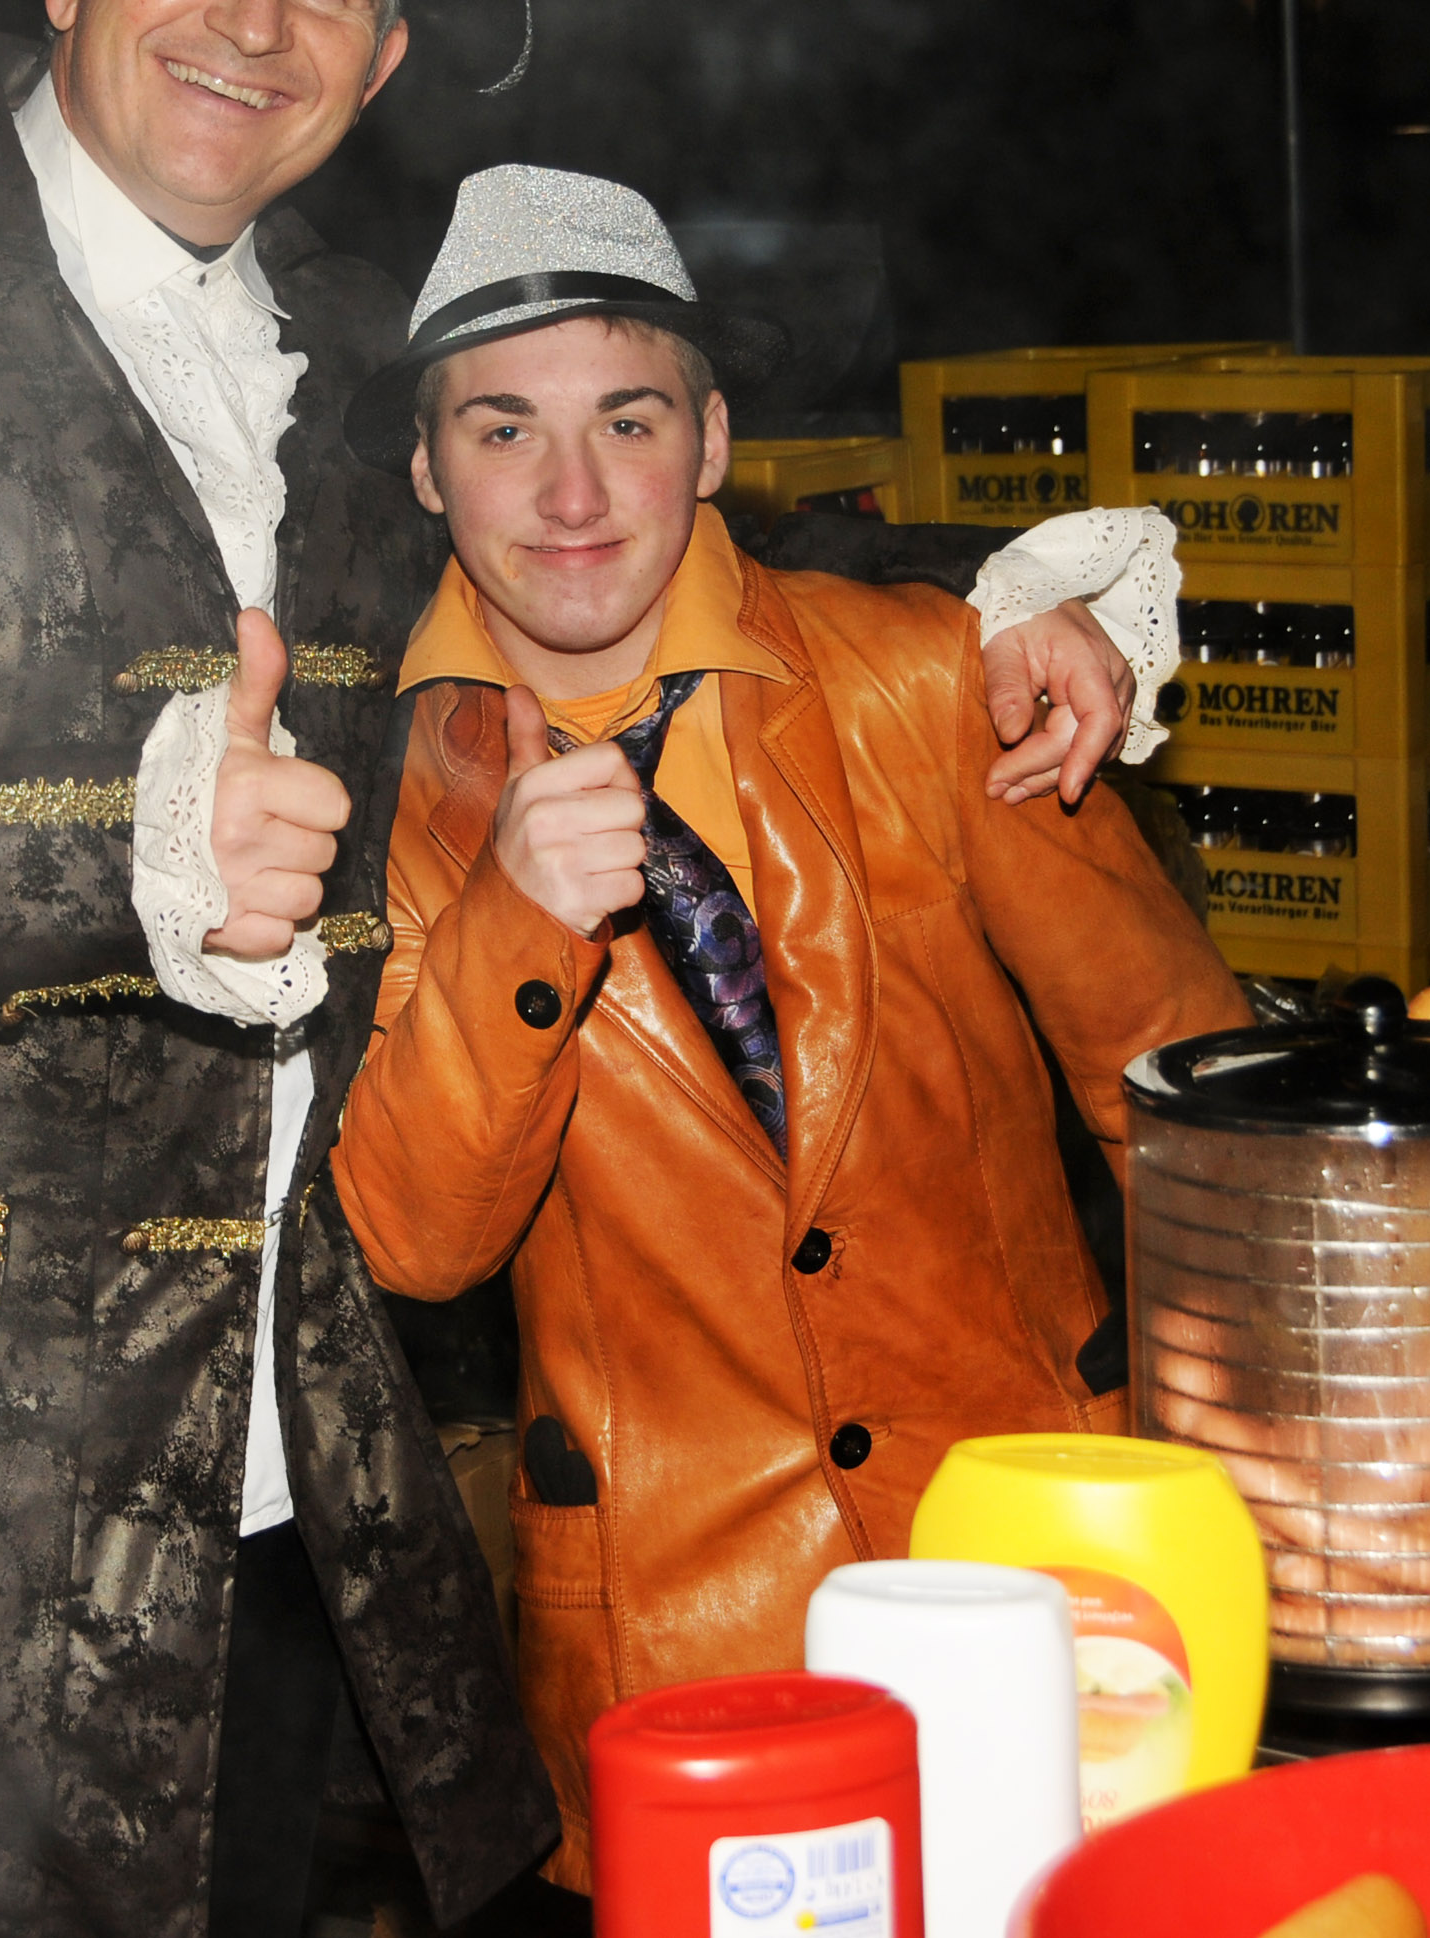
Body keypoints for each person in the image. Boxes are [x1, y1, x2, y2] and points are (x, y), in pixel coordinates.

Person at [0, 0, 1159, 1938]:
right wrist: (121, 847)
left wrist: (1008, 600)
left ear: (379, 63)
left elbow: (601, 541)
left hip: (267, 1451)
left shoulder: (346, 351)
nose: (254, 20)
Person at [330, 166, 1256, 1888]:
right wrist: (512, 920)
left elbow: (1189, 1112)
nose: (575, 492)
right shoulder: (384, 802)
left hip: (1042, 1580)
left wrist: (1268, 1493)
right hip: (681, 1642)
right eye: (504, 428)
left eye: (628, 419)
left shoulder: (932, 678)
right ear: (427, 468)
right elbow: (418, 1240)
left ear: (712, 438)